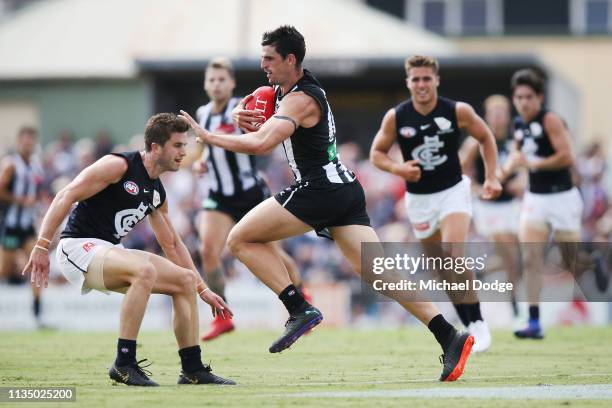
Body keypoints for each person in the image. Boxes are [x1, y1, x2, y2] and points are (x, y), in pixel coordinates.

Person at [180, 25, 474, 382]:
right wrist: (245, 117)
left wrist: (211, 136)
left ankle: (298, 306)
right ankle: (449, 334)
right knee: (379, 274)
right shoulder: (283, 90)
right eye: (262, 58)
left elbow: (262, 144)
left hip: (320, 187)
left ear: (291, 60)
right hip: (343, 188)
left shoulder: (302, 99)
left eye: (270, 59)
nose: (263, 65)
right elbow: (258, 112)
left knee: (240, 239)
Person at [22, 113, 235, 386]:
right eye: (178, 145)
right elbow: (66, 194)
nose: (184, 152)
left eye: (185, 145)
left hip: (109, 248)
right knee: (144, 271)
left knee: (185, 280)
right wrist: (41, 246)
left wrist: (203, 289)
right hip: (77, 248)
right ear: (156, 147)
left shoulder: (157, 191)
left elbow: (171, 244)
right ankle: (123, 364)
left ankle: (192, 369)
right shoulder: (118, 165)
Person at [369, 55, 502, 353]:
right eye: (415, 79)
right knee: (440, 267)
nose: (421, 84)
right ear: (408, 82)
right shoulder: (397, 116)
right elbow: (376, 153)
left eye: (426, 78)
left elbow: (485, 137)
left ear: (436, 80)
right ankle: (467, 323)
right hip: (419, 199)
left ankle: (479, 324)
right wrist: (398, 169)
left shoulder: (457, 111)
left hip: (453, 191)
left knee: (454, 254)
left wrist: (492, 176)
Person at [193, 57, 308, 341]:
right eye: (212, 79)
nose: (217, 84)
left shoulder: (244, 108)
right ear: (206, 84)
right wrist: (202, 161)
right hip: (219, 194)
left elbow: (262, 141)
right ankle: (222, 317)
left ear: (231, 83)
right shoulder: (203, 113)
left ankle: (303, 298)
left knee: (274, 254)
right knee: (208, 251)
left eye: (222, 79)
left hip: (250, 193)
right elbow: (207, 148)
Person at [501, 69, 583, 340]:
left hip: (562, 196)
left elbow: (567, 156)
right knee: (531, 258)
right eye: (518, 97)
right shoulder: (518, 124)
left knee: (571, 260)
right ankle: (534, 321)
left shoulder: (550, 120)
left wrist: (533, 165)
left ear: (539, 97)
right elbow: (518, 152)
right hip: (536, 198)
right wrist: (509, 168)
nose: (523, 102)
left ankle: (593, 259)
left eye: (528, 97)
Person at [461, 95, 524, 317]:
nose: (498, 116)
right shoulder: (476, 142)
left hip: (512, 204)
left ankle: (483, 271)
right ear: (487, 116)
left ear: (508, 116)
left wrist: (522, 181)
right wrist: (476, 188)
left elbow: (526, 167)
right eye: (493, 112)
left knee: (518, 258)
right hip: (489, 206)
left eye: (502, 112)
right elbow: (459, 170)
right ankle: (515, 301)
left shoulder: (515, 140)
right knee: (505, 242)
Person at [0, 127, 45, 326]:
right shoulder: (10, 165)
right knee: (4, 269)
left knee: (38, 265)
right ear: (19, 142)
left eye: (31, 141)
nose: (28, 144)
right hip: (11, 225)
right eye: (25, 141)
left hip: (27, 226)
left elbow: (37, 193)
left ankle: (37, 314)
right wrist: (20, 200)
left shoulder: (36, 166)